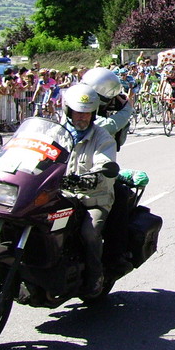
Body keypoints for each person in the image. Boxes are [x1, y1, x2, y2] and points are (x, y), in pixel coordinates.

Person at [59, 83, 118, 298]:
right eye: (77, 112)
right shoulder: (59, 133)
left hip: (94, 197)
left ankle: (96, 276)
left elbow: (104, 162)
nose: (81, 117)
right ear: (69, 111)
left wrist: (94, 176)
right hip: (63, 194)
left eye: (86, 113)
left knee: (90, 230)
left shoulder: (102, 137)